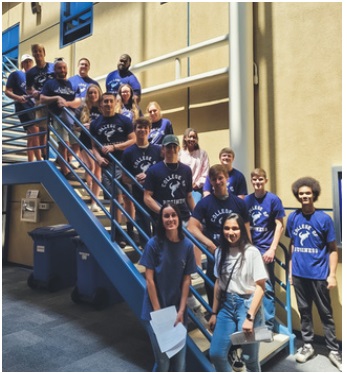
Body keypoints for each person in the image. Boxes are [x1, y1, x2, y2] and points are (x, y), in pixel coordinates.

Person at [285, 177, 342, 371]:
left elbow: (333, 249)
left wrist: (332, 274)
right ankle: (308, 345)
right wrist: (291, 271)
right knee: (305, 312)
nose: (304, 196)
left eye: (308, 193)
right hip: (300, 275)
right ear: (297, 196)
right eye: (301, 194)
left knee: (326, 314)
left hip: (319, 275)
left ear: (314, 195)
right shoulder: (293, 217)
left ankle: (334, 350)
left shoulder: (324, 219)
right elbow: (292, 244)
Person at [139, 203, 196, 372]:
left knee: (180, 364)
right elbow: (149, 280)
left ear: (179, 218)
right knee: (163, 362)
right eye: (166, 216)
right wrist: (160, 314)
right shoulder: (153, 245)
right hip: (155, 311)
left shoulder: (187, 246)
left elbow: (186, 281)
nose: (170, 219)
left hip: (178, 311)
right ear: (161, 220)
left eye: (173, 215)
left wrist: (181, 310)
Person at [209, 213, 267, 372]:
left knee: (250, 359)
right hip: (226, 306)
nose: (230, 232)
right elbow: (218, 283)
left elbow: (261, 287)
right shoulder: (220, 251)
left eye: (235, 228)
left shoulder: (252, 252)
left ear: (241, 230)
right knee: (216, 354)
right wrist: (214, 312)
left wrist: (250, 317)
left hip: (247, 305)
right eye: (227, 228)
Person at [188, 164, 250, 306]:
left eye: (220, 178)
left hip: (235, 254)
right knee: (213, 288)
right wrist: (209, 244)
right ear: (210, 181)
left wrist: (248, 251)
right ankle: (213, 317)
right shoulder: (205, 203)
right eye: (214, 179)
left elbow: (246, 230)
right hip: (214, 255)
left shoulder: (239, 203)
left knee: (236, 291)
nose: (217, 182)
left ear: (227, 178)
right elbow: (191, 227)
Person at [90, 92, 135, 245]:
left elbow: (133, 140)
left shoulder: (125, 120)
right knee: (115, 200)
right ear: (101, 104)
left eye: (111, 101)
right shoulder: (96, 123)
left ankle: (130, 230)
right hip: (108, 165)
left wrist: (115, 147)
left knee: (129, 198)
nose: (108, 104)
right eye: (105, 102)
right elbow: (93, 146)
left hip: (125, 164)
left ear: (115, 103)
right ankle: (118, 232)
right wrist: (98, 157)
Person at [244, 168, 285, 331]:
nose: (257, 182)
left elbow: (280, 224)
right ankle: (251, 320)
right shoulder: (247, 200)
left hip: (266, 251)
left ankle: (267, 326)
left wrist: (272, 249)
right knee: (248, 287)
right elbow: (244, 224)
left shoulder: (273, 200)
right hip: (250, 250)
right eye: (254, 179)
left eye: (260, 179)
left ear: (265, 180)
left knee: (267, 288)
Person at [121, 117, 162, 247]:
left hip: (157, 195)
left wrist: (149, 175)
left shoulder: (158, 150)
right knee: (143, 225)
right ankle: (146, 252)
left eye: (145, 127)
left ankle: (158, 252)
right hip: (139, 196)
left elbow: (163, 172)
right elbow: (124, 178)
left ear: (149, 130)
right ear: (135, 130)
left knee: (159, 225)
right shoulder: (128, 152)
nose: (142, 130)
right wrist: (135, 179)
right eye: (139, 127)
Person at [40, 59, 82, 181]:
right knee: (64, 144)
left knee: (76, 144)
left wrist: (67, 103)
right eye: (59, 68)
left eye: (64, 68)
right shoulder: (50, 84)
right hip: (58, 116)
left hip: (72, 118)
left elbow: (79, 101)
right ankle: (65, 171)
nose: (62, 70)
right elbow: (42, 99)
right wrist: (56, 97)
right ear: (55, 70)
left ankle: (61, 160)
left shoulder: (72, 84)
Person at [143, 134, 195, 224]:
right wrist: (162, 212)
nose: (172, 149)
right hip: (164, 219)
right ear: (163, 149)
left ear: (178, 148)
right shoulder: (154, 170)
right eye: (168, 147)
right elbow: (147, 197)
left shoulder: (186, 170)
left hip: (183, 217)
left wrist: (196, 214)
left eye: (174, 146)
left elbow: (189, 196)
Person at [5, 54, 42, 162]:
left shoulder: (34, 78)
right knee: (35, 132)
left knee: (31, 136)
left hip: (34, 107)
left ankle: (30, 161)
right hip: (23, 107)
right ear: (22, 63)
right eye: (26, 62)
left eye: (30, 61)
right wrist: (18, 97)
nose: (28, 63)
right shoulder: (16, 74)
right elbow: (7, 91)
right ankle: (40, 160)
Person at [75, 84, 103, 211]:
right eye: (90, 93)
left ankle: (94, 201)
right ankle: (89, 187)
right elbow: (74, 127)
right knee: (91, 166)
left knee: (98, 171)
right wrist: (83, 126)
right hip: (85, 141)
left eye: (95, 93)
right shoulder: (82, 108)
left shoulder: (103, 108)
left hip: (99, 142)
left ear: (99, 94)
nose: (93, 95)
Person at [26, 43, 55, 159]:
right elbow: (28, 89)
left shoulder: (52, 67)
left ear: (44, 52)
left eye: (39, 51)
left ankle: (63, 158)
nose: (37, 53)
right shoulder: (30, 72)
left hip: (53, 100)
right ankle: (44, 153)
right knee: (43, 129)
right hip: (40, 101)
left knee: (58, 127)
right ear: (33, 54)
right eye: (35, 51)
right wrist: (33, 92)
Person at [179, 128, 210, 204]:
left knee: (195, 209)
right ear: (185, 138)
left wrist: (197, 184)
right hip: (181, 188)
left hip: (196, 189)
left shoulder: (202, 153)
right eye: (190, 137)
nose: (192, 139)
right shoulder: (179, 153)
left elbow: (206, 173)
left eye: (194, 137)